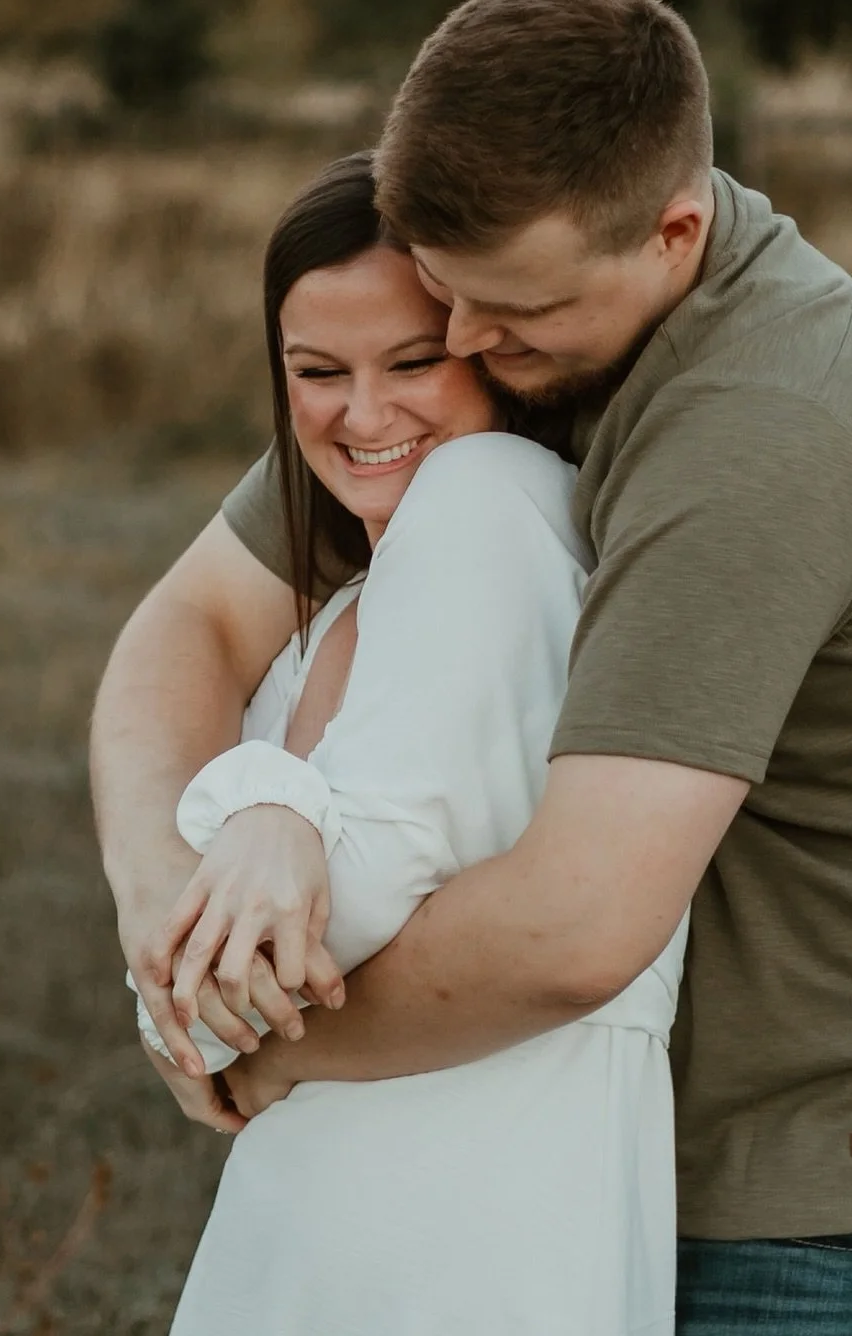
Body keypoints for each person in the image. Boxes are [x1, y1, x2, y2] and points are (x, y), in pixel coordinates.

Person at [93, 0, 852, 1336]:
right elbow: (191, 623)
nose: (467, 342)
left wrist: (262, 1053)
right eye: (448, 291)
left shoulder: (759, 433)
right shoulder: (503, 326)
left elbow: (577, 927)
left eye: (512, 311)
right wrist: (163, 899)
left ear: (674, 233)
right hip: (633, 1145)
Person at [125, 152, 686, 1335]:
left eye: (413, 363)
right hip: (356, 1173)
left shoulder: (488, 501)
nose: (362, 415)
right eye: (317, 373)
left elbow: (315, 917)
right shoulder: (351, 585)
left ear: (490, 348)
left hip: (461, 1196)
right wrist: (257, 824)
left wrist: (268, 806)